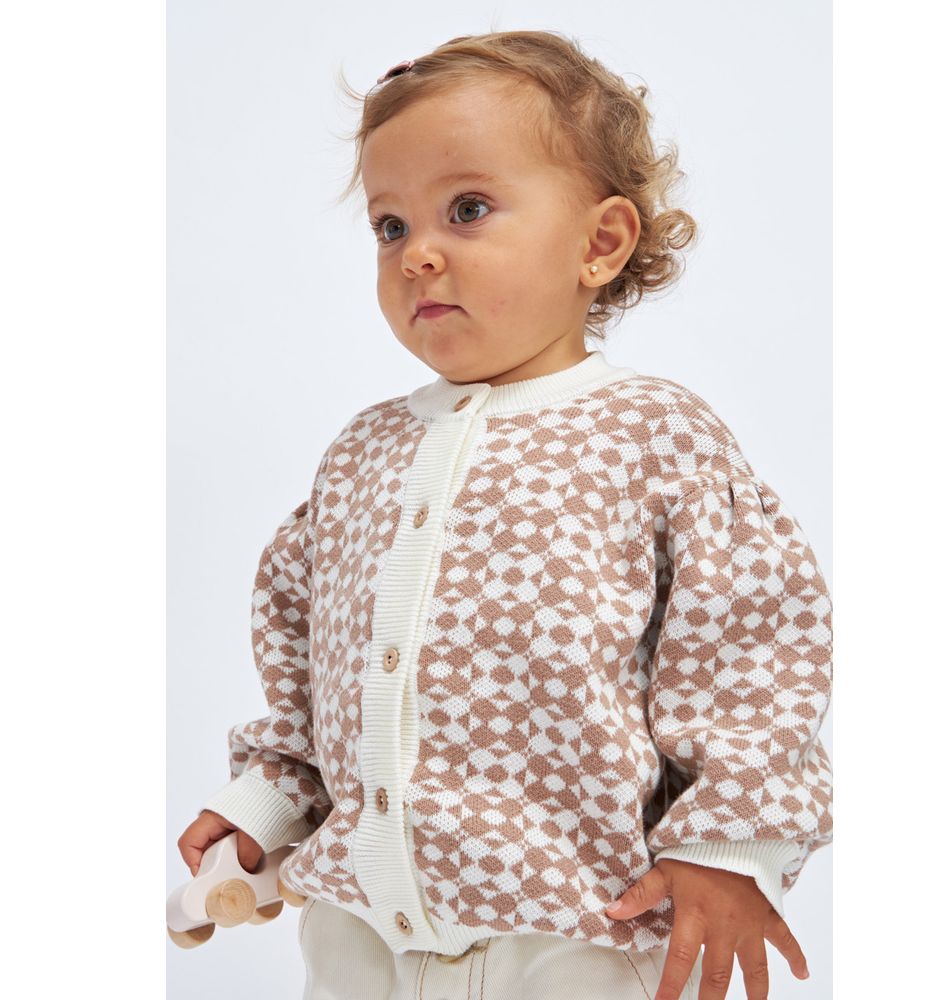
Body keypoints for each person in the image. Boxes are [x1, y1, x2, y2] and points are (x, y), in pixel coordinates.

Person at [176, 29, 832, 1000]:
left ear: (600, 243)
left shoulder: (652, 436)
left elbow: (748, 650)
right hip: (363, 931)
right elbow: (308, 658)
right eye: (389, 225)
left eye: (468, 210)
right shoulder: (363, 453)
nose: (417, 255)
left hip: (584, 930)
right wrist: (267, 802)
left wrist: (731, 847)